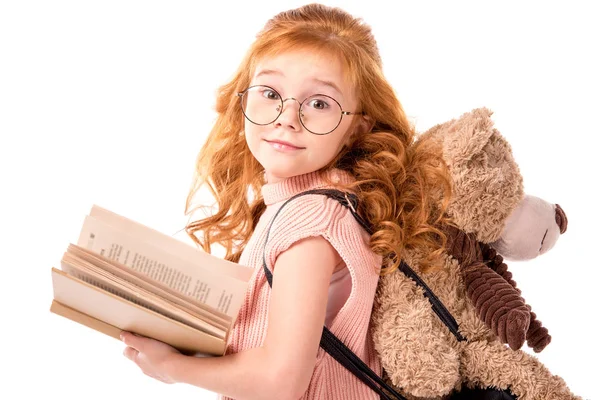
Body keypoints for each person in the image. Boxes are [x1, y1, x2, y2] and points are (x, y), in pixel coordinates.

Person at [119, 3, 452, 399]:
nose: (287, 117)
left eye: (319, 103)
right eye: (270, 92)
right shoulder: (313, 200)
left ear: (355, 128)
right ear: (243, 99)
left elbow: (282, 381)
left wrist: (173, 368)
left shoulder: (312, 220)